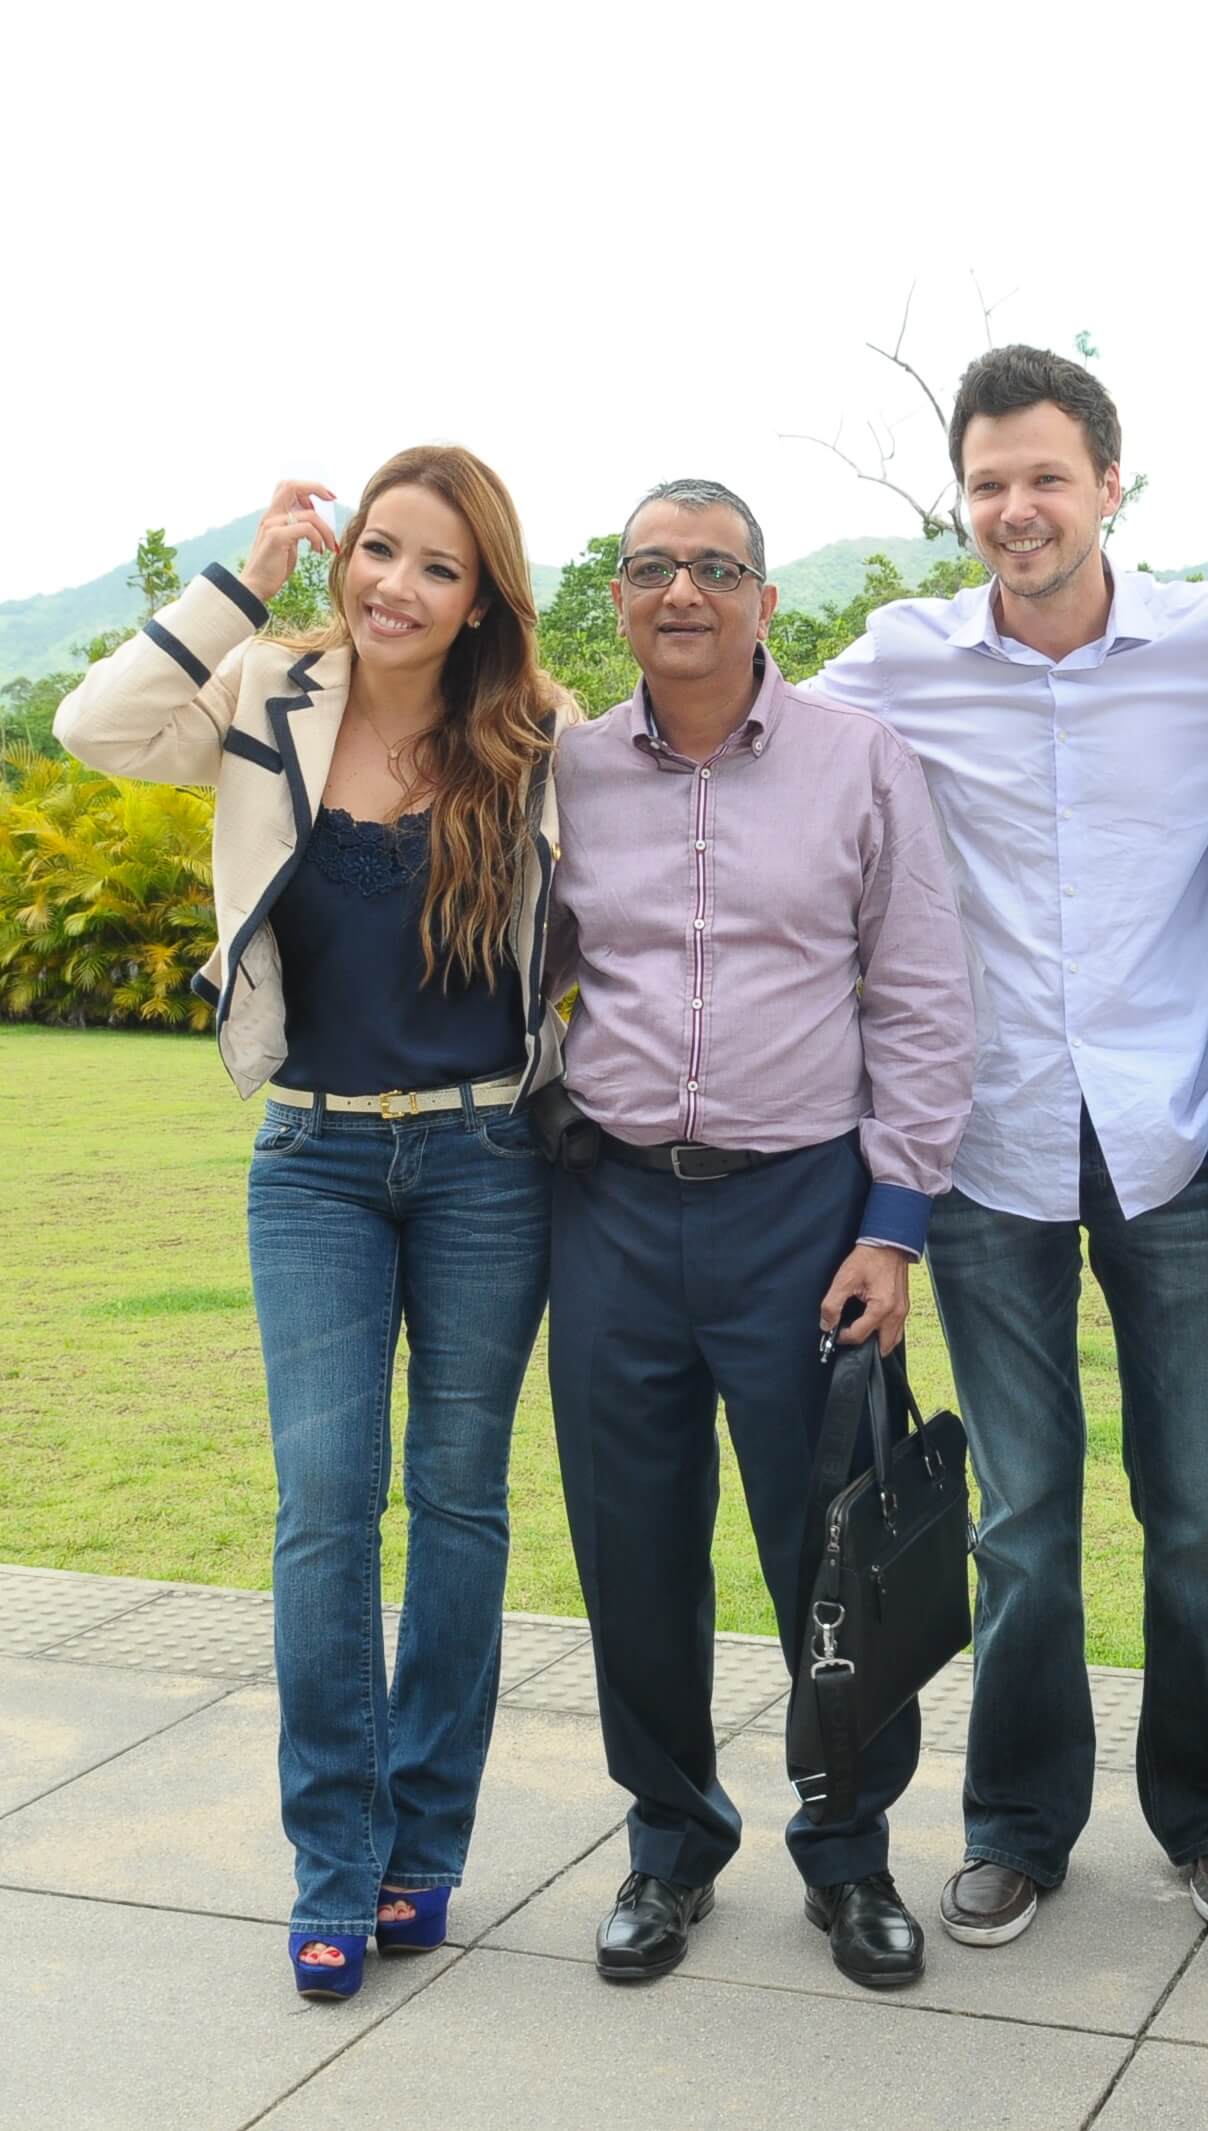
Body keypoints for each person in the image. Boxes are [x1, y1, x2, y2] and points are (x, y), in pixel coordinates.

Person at [54, 448, 574, 1999]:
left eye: (435, 567)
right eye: (378, 552)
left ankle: (427, 1850)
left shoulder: (535, 742)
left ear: (482, 598)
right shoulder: (265, 693)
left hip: (489, 1163)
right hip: (316, 1166)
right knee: (323, 1508)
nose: (395, 588)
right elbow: (97, 727)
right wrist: (249, 576)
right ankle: (332, 1864)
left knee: (462, 1504)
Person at [543, 477, 975, 1990]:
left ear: (765, 600)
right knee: (633, 1555)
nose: (682, 593)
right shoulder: (568, 770)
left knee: (833, 1558)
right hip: (607, 1213)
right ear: (618, 598)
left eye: (714, 567)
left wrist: (897, 1225)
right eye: (650, 567)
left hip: (805, 1222)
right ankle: (670, 1846)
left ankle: (849, 1856)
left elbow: (922, 994)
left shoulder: (862, 765)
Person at [816, 344, 1208, 1946]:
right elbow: (732, 733)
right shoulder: (900, 662)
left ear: (1113, 482)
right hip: (986, 1152)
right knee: (1023, 1515)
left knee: (1195, 1513)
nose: (1016, 509)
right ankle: (1019, 1826)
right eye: (988, 483)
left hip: (1176, 1143)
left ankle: (1195, 1816)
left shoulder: (1197, 646)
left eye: (1047, 476)